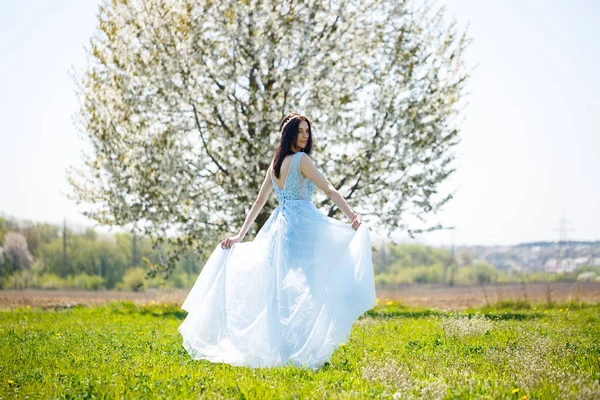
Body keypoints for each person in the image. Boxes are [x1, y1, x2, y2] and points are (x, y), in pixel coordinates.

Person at [178, 113, 377, 370]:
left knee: (283, 291)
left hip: (280, 229)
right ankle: (304, 350)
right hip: (303, 228)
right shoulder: (301, 160)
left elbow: (260, 202)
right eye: (300, 131)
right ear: (289, 134)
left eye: (307, 130)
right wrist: (352, 217)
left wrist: (241, 234)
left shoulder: (275, 164)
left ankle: (287, 350)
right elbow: (328, 189)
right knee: (312, 287)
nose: (305, 135)